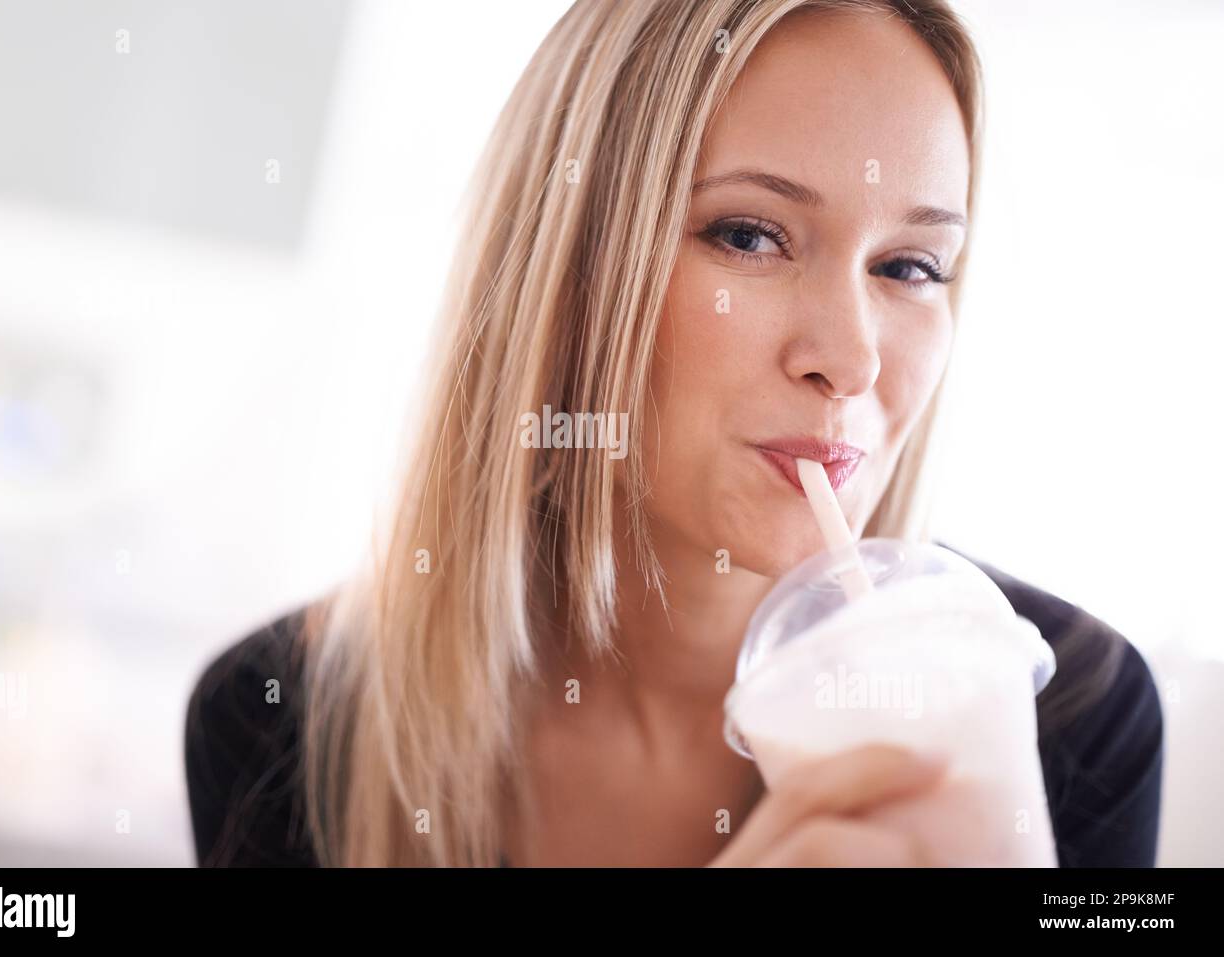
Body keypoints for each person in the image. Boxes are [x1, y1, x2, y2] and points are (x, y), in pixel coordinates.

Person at [185, 0, 1163, 867]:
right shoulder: (284, 723)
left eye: (910, 266)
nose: (852, 359)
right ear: (565, 280)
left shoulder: (1065, 715)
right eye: (748, 235)